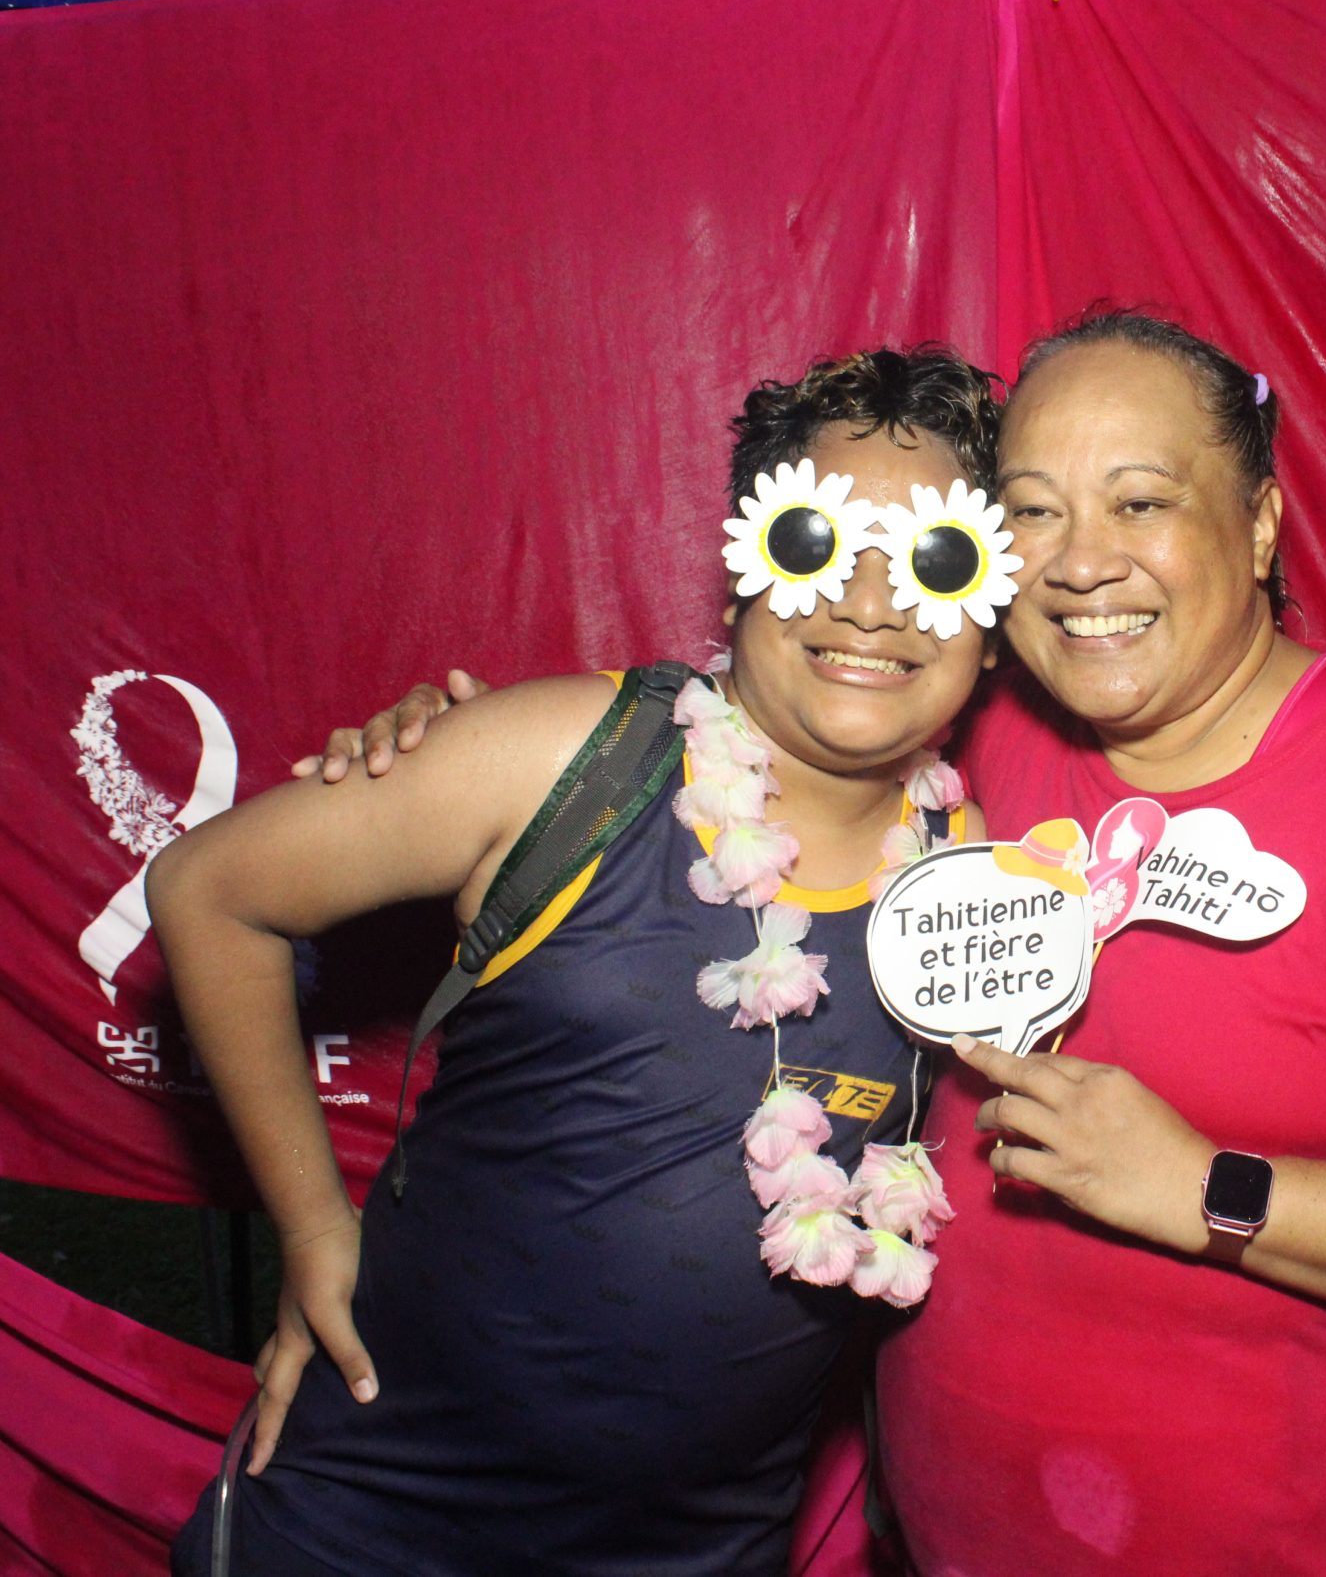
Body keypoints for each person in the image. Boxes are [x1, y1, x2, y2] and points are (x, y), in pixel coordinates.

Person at [331, 311, 1326, 1574]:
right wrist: (450, 752)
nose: (1081, 561)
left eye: (1140, 502)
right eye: (1032, 510)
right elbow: (755, 718)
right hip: (955, 1537)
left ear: (1256, 523)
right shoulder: (965, 737)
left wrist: (1204, 1186)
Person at [152, 346, 1007, 1577]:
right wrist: (312, 1228)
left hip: (695, 1554)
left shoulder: (969, 878)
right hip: (369, 1521)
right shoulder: (570, 756)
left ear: (992, 616)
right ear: (744, 565)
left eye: (934, 561)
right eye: (816, 541)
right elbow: (209, 892)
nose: (870, 605)